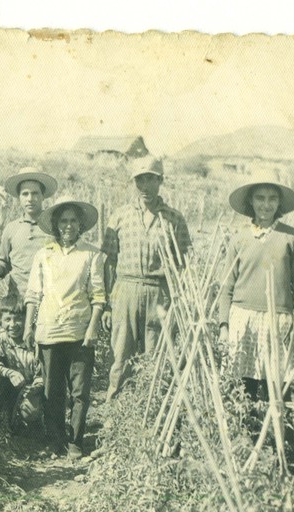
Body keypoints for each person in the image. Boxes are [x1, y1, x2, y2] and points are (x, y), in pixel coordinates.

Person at [218, 176, 294, 445]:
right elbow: (226, 286)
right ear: (251, 201)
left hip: (278, 318)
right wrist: (224, 325)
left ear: (279, 202)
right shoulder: (239, 239)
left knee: (276, 384)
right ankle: (244, 441)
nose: (266, 205)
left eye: (272, 198)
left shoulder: (291, 237)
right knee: (243, 385)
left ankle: (281, 443)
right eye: (260, 198)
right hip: (242, 318)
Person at [101, 155, 192, 403]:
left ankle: (150, 412)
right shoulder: (120, 217)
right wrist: (109, 303)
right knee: (120, 357)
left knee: (156, 357)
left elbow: (184, 265)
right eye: (140, 180)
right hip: (125, 291)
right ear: (134, 182)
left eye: (151, 179)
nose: (145, 186)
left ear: (160, 181)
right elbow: (109, 262)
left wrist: (179, 303)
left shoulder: (174, 219)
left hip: (159, 293)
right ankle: (114, 416)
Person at [24, 196, 105, 459]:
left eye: (73, 221)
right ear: (56, 224)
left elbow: (98, 296)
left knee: (80, 391)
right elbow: (34, 294)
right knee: (52, 391)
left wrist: (92, 328)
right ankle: (55, 439)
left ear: (80, 224)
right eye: (63, 221)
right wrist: (28, 327)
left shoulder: (91, 254)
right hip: (49, 331)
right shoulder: (44, 254)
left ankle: (75, 441)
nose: (68, 226)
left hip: (79, 332)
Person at [0, 166, 57, 299]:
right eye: (25, 194)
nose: (30, 198)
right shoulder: (11, 228)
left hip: (47, 299)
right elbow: (4, 262)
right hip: (17, 299)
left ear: (43, 196)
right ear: (19, 197)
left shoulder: (53, 228)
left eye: (35, 193)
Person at [0, 296, 43, 433]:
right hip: (10, 386)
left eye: (18, 319)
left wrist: (34, 387)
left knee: (29, 410)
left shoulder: (36, 340)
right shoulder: (0, 337)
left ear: (26, 319)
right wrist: (10, 373)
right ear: (1, 320)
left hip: (32, 388)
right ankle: (4, 420)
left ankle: (34, 424)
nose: (12, 325)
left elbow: (44, 373)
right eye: (7, 320)